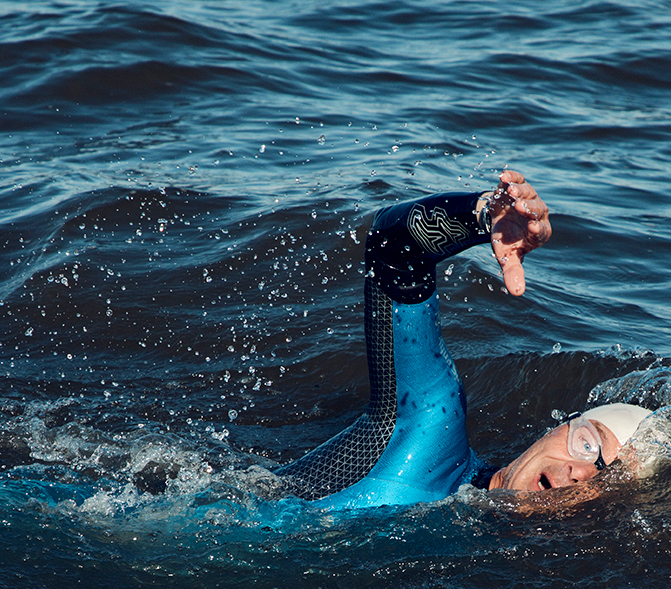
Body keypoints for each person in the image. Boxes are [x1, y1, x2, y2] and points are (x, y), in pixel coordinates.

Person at [274, 170, 649, 510]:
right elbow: (392, 248)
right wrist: (487, 217)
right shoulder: (427, 433)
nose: (582, 473)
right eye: (587, 444)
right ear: (558, 428)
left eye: (607, 479)